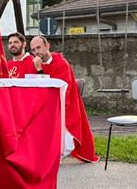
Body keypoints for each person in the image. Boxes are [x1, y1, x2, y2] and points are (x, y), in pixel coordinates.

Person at [30, 35, 99, 163]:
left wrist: (39, 69)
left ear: (47, 46)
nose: (36, 52)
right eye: (33, 50)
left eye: (38, 47)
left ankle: (54, 155)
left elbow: (63, 89)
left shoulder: (61, 63)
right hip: (43, 105)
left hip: (64, 105)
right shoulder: (33, 64)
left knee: (63, 140)